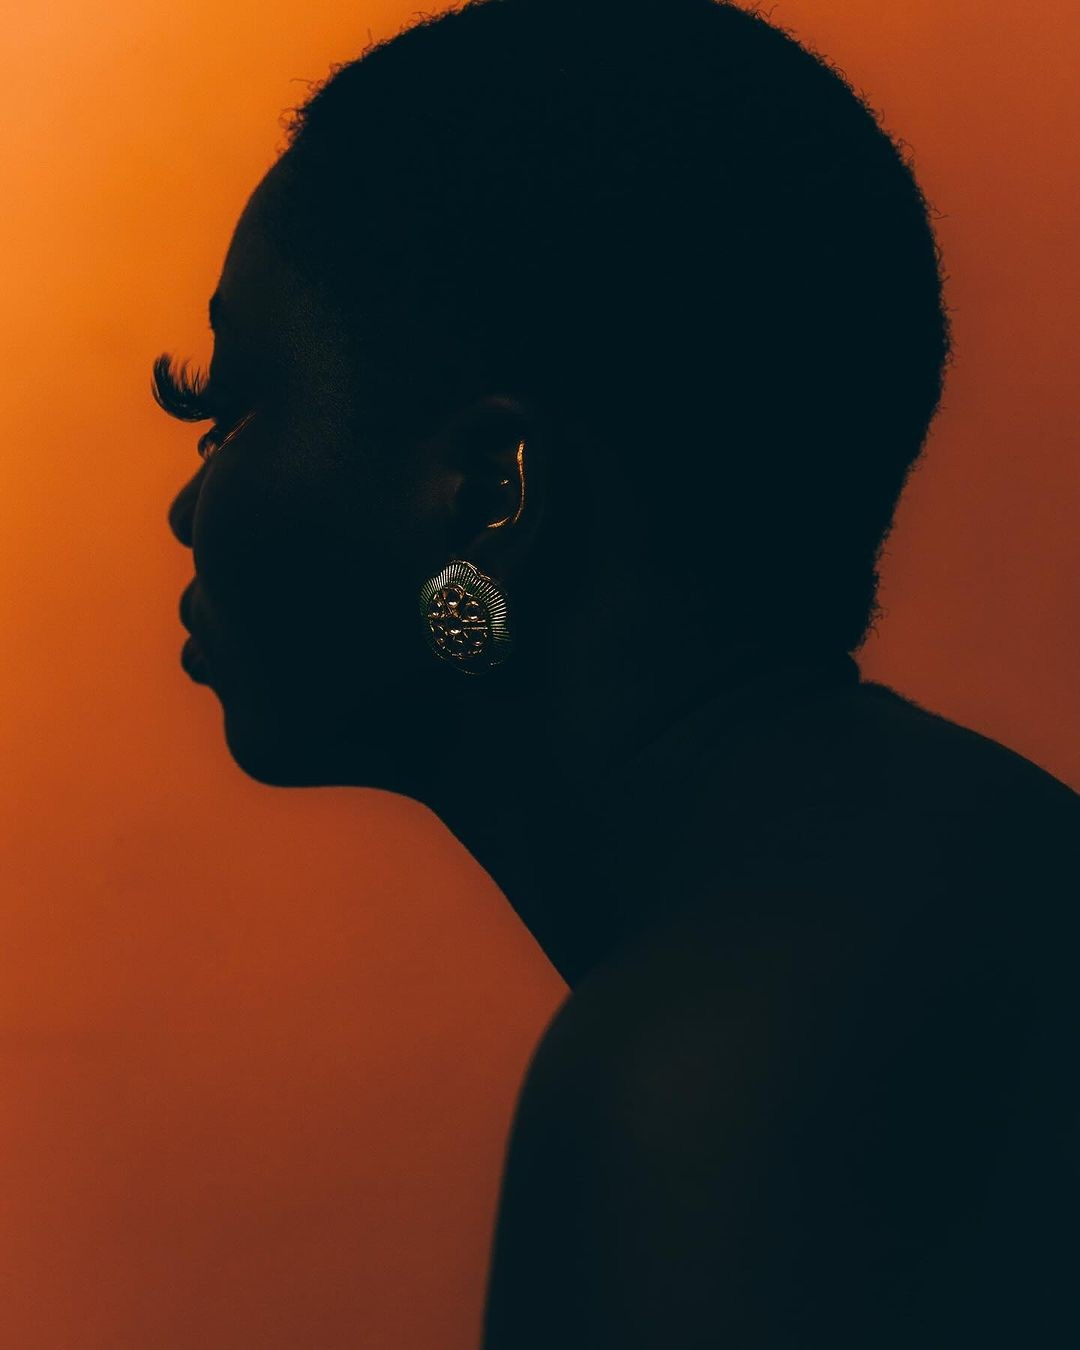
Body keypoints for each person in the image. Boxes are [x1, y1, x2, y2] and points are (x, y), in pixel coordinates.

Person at [154, 0, 1080, 1343]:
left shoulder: (715, 1079)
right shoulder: (981, 874)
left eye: (226, 406)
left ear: (491, 495)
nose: (189, 508)